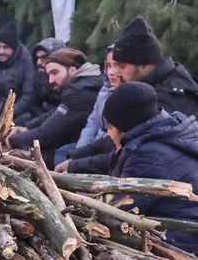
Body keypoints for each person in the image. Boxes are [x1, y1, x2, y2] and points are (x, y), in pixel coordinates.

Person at [99, 81, 198, 258]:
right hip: (197, 230)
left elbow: (120, 209)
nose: (108, 134)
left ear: (124, 127)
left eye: (110, 127)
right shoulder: (163, 132)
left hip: (181, 241)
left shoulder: (148, 154)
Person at [110, 16, 198, 129]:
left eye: (122, 66)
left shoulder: (161, 102)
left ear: (145, 65)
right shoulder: (157, 87)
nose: (116, 73)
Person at [7, 47, 102, 167]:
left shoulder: (78, 93)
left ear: (73, 69)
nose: (51, 80)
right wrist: (26, 128)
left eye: (55, 73)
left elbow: (46, 134)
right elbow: (54, 114)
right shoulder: (84, 85)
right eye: (49, 75)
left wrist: (12, 140)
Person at [58, 43, 120, 171]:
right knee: (62, 154)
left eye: (117, 65)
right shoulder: (104, 90)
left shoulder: (130, 96)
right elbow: (92, 124)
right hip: (96, 145)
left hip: (108, 152)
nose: (111, 72)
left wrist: (77, 163)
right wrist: (79, 153)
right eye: (108, 66)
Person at [25, 37, 66, 128]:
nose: (39, 62)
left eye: (44, 57)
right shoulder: (40, 76)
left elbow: (63, 109)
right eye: (37, 58)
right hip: (42, 117)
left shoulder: (66, 79)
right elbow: (32, 104)